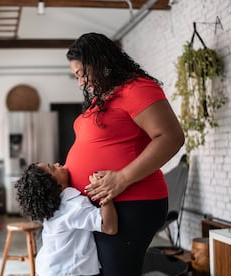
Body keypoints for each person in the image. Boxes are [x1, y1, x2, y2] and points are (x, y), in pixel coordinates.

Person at [64, 32, 185, 276]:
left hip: (131, 203)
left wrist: (121, 178)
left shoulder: (136, 88)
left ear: (99, 61)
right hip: (107, 207)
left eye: (81, 73)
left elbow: (171, 137)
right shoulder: (103, 97)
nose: (80, 83)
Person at [15, 162, 118, 276]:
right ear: (52, 184)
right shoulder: (74, 205)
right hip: (69, 271)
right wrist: (103, 192)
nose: (57, 164)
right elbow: (109, 227)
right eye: (53, 168)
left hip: (47, 269)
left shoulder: (48, 208)